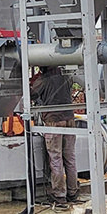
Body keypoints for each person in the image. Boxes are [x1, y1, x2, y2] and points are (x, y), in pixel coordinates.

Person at [31, 66, 79, 206]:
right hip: (69, 119)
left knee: (56, 158)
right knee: (70, 158)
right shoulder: (67, 76)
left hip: (53, 121)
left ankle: (59, 195)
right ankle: (73, 193)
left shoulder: (43, 80)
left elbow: (31, 94)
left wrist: (32, 82)